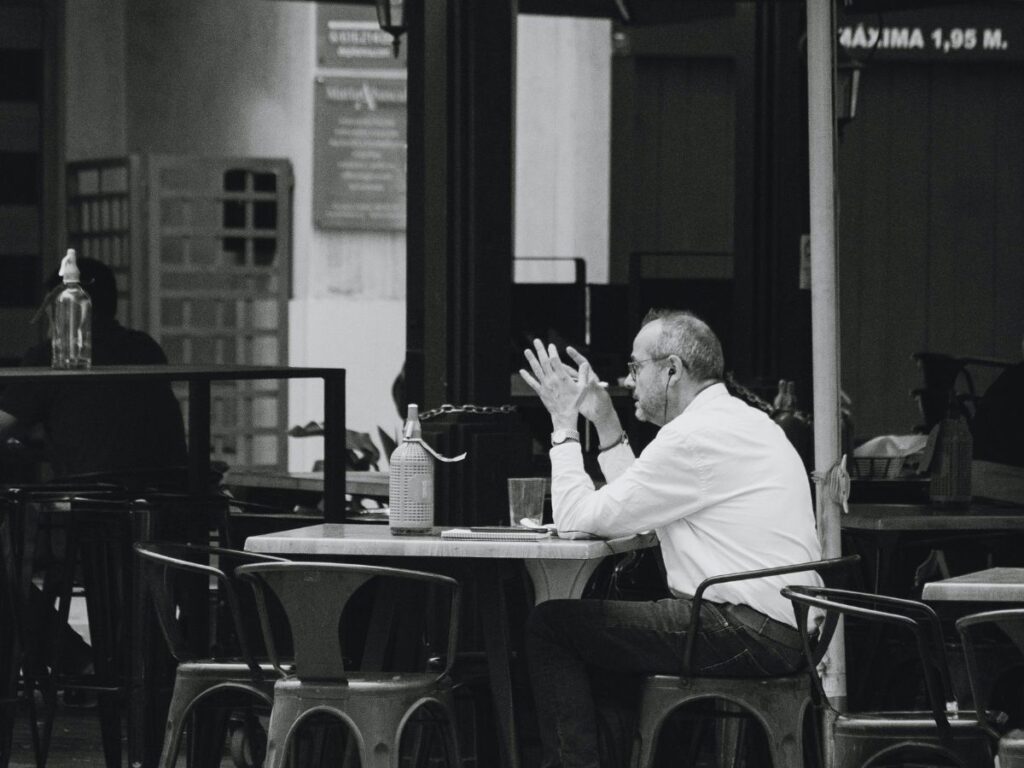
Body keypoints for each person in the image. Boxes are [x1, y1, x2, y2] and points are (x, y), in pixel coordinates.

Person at [518, 309, 822, 768]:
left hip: (750, 629)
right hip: (785, 626)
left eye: (637, 367)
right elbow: (637, 511)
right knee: (606, 622)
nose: (627, 378)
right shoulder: (743, 421)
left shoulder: (691, 438)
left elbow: (578, 517)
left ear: (673, 370)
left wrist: (562, 426)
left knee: (552, 627)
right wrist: (603, 420)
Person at [0, 256, 188, 482]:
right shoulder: (145, 347)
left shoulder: (51, 356)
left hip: (89, 499)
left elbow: (5, 424)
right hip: (165, 493)